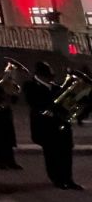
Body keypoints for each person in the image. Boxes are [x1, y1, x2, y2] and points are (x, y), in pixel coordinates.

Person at [23, 62, 83, 190]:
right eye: (49, 75)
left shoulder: (55, 87)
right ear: (40, 75)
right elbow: (40, 104)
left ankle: (69, 179)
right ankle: (57, 179)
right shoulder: (30, 86)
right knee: (52, 154)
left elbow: (67, 104)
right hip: (45, 127)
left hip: (62, 125)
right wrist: (65, 88)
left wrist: (76, 99)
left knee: (66, 154)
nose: (51, 78)